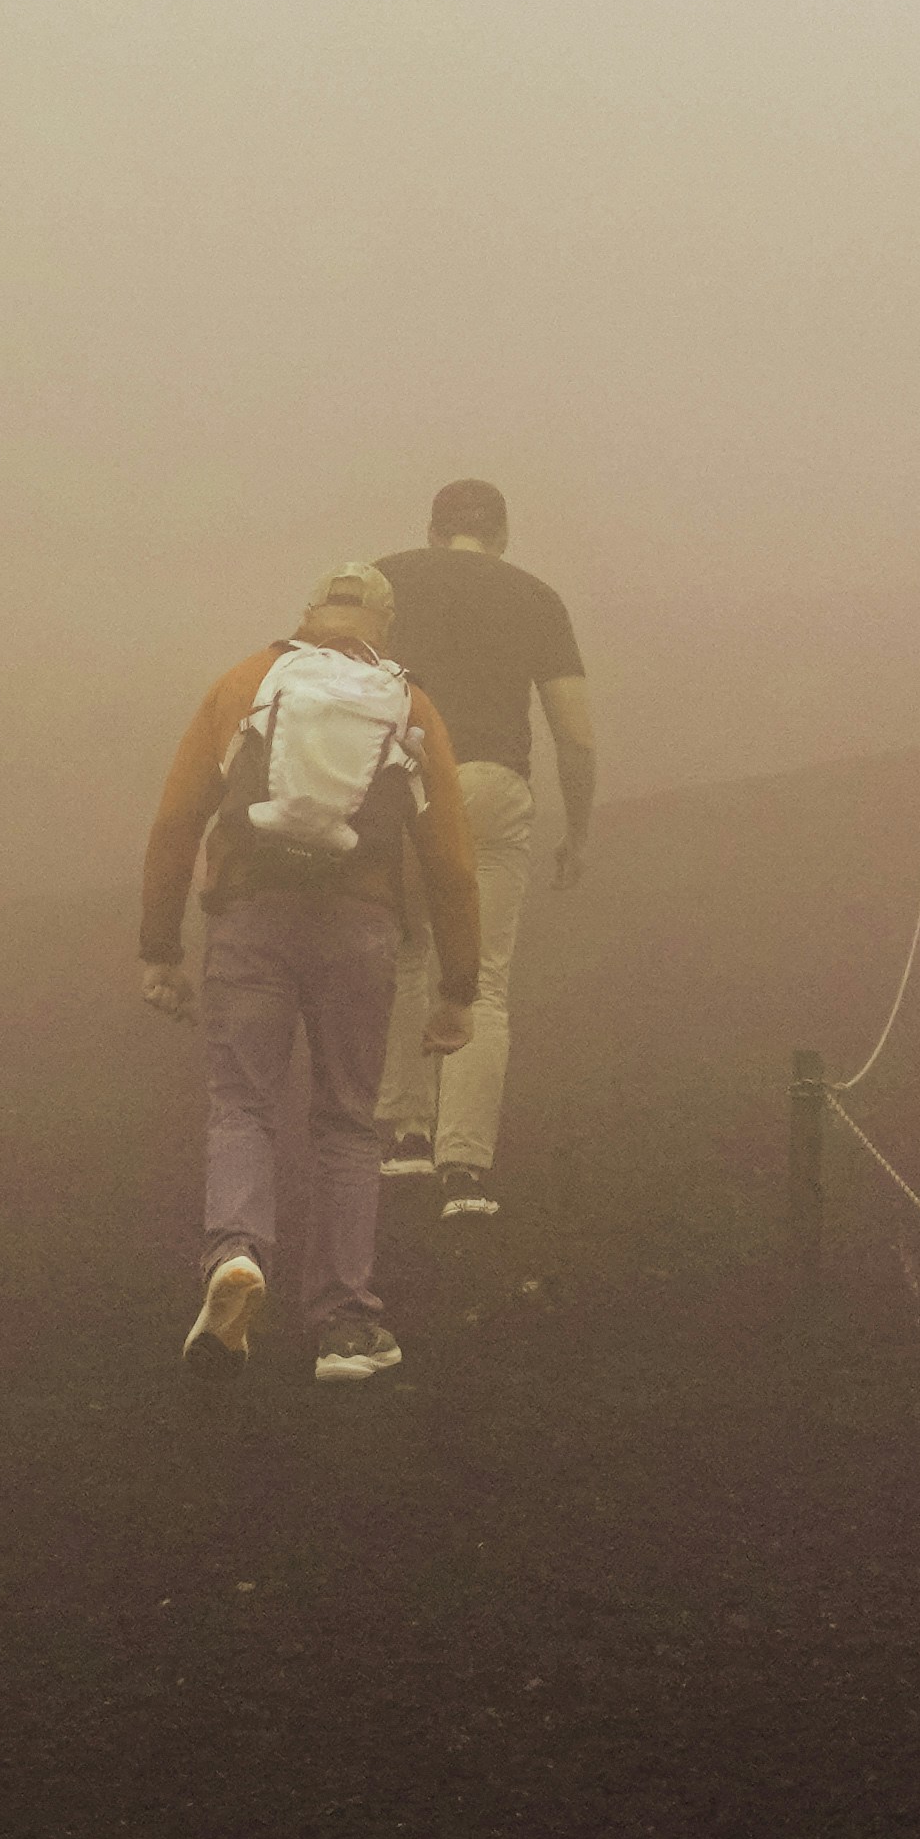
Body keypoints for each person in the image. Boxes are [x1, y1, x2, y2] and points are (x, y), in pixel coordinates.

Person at [136, 562, 480, 1386]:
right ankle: (344, 1326)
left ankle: (235, 1252)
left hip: (250, 917)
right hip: (359, 927)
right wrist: (459, 988)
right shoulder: (409, 703)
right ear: (382, 627)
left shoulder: (247, 682)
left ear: (308, 614)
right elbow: (450, 859)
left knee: (243, 1102)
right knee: (348, 1121)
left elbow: (178, 815)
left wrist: (159, 947)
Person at [370, 478, 595, 1222]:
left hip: (403, 781)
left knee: (406, 952)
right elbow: (576, 735)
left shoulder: (386, 579)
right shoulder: (535, 597)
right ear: (501, 537)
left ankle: (403, 1133)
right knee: (482, 980)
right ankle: (462, 1171)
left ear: (434, 532)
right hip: (495, 786)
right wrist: (579, 830)